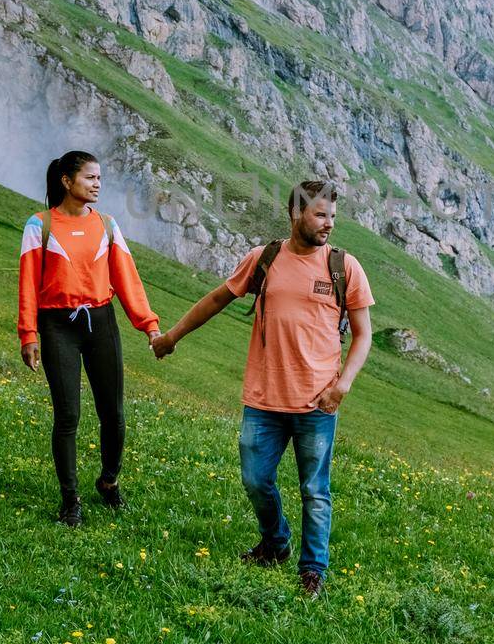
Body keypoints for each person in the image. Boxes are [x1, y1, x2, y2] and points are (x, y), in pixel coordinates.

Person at [152, 181, 374, 595]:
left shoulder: (344, 268)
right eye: (320, 215)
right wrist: (172, 337)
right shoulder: (265, 259)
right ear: (295, 215)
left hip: (318, 402)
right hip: (264, 398)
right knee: (256, 480)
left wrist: (342, 386)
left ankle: (313, 572)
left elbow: (363, 334)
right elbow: (217, 299)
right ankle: (275, 544)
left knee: (315, 490)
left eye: (332, 217)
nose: (328, 224)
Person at [18, 150, 161, 527]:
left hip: (101, 323)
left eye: (99, 179)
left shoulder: (109, 226)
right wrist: (28, 334)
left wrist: (149, 325)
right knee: (68, 416)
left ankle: (108, 481)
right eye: (90, 178)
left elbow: (127, 279)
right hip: (57, 326)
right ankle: (70, 500)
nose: (98, 184)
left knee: (113, 413)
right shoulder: (39, 225)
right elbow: (28, 285)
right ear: (67, 181)